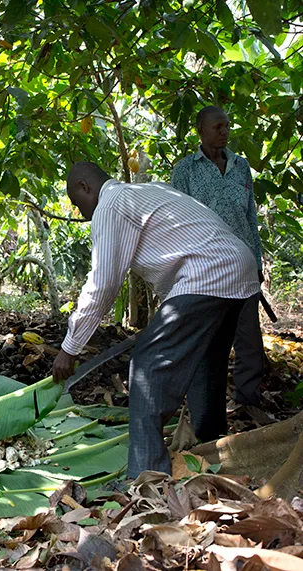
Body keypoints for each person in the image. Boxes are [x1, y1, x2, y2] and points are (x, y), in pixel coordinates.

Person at [52, 162, 260, 478]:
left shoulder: (112, 205)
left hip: (209, 274)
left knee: (148, 367)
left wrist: (71, 346)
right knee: (205, 366)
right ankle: (211, 451)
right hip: (235, 269)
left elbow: (103, 284)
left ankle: (146, 476)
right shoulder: (145, 192)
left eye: (76, 202)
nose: (80, 212)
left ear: (84, 186)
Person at [171, 106, 265, 406]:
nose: (224, 132)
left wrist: (258, 263)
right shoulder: (185, 170)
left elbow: (250, 217)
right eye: (217, 127)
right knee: (207, 340)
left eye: (227, 126)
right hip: (207, 269)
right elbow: (179, 223)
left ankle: (248, 401)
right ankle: (205, 406)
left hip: (243, 267)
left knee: (249, 341)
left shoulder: (240, 167)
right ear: (201, 130)